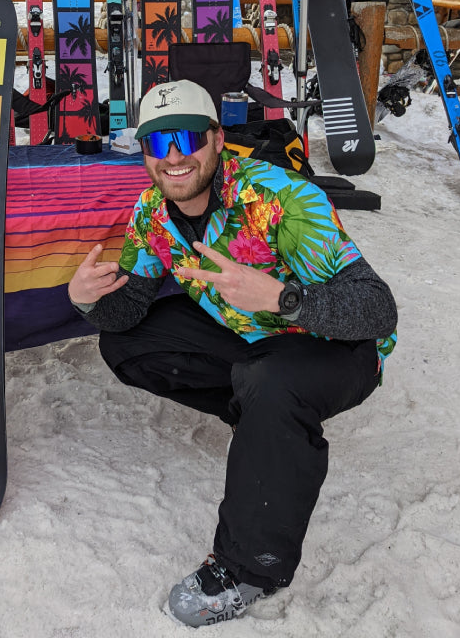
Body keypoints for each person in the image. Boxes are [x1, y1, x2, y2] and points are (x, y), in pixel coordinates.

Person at [67, 79, 397, 627]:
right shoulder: (151, 212)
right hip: (254, 342)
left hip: (338, 347)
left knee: (274, 384)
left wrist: (284, 298)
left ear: (217, 139)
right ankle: (267, 425)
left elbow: (377, 309)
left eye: (187, 138)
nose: (174, 158)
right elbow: (130, 309)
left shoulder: (282, 200)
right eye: (157, 143)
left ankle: (251, 568)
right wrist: (86, 302)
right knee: (126, 343)